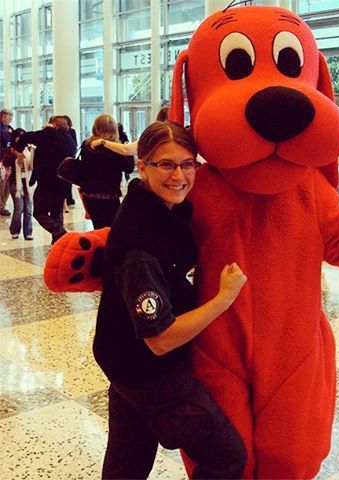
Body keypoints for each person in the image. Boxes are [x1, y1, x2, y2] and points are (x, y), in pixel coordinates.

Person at [94, 120, 247, 479]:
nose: (179, 175)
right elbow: (160, 340)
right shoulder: (140, 244)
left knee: (127, 466)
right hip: (148, 372)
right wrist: (224, 298)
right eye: (166, 164)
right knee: (226, 456)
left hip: (122, 363)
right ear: (142, 166)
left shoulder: (162, 211)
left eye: (187, 163)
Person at [15, 116, 76, 244]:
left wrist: (19, 151)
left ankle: (61, 234)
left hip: (47, 182)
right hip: (63, 183)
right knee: (57, 213)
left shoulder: (48, 134)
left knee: (39, 212)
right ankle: (58, 244)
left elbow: (25, 137)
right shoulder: (70, 139)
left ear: (53, 125)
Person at [79, 114, 134, 229]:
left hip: (89, 194)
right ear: (115, 129)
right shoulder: (115, 149)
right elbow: (129, 168)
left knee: (98, 227)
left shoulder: (86, 145)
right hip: (109, 196)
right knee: (111, 230)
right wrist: (125, 146)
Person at [4, 128, 34, 240]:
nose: (20, 139)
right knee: (19, 207)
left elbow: (33, 164)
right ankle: (15, 230)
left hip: (27, 181)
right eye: (18, 136)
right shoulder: (10, 149)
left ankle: (28, 232)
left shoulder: (29, 149)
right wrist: (16, 157)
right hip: (15, 181)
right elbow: (6, 162)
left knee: (28, 208)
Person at [0, 107, 14, 216]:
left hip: (8, 159)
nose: (11, 119)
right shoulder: (3, 129)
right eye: (10, 117)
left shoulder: (8, 128)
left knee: (7, 184)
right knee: (2, 183)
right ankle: (1, 206)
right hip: (2, 159)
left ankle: (2, 204)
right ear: (4, 116)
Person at [62, 115, 78, 207]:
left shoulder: (71, 131)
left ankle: (69, 198)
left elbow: (74, 144)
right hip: (65, 157)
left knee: (68, 180)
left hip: (69, 158)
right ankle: (67, 198)